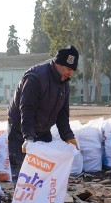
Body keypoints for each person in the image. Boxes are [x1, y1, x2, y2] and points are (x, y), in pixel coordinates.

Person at [7, 45, 80, 177]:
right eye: (69, 69)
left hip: (43, 130)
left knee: (43, 172)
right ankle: (21, 197)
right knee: (22, 172)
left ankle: (40, 197)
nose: (71, 73)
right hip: (20, 129)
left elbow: (62, 114)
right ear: (58, 64)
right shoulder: (35, 77)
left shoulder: (64, 84)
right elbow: (27, 109)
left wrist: (69, 137)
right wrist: (28, 137)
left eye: (73, 70)